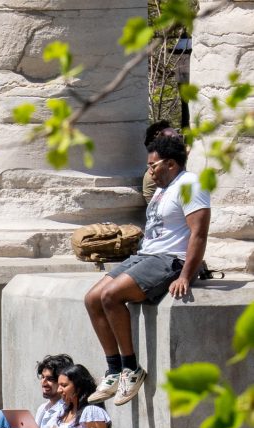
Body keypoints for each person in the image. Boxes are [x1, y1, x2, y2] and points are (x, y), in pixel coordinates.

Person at [84, 134, 210, 406]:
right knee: (92, 298)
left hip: (170, 260)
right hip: (145, 256)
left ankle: (131, 368)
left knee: (111, 296)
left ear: (171, 164)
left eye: (153, 166)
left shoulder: (190, 184)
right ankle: (114, 369)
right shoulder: (164, 189)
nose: (150, 172)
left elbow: (199, 234)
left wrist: (186, 275)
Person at [141, 120, 181, 204]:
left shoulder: (177, 167)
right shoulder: (155, 176)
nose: (180, 144)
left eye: (179, 138)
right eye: (173, 140)